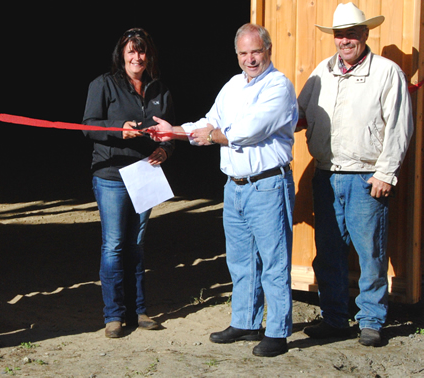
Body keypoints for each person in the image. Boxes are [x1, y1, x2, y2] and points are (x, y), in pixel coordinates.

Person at [149, 23, 297, 357]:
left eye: (256, 51)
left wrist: (213, 136)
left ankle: (277, 331)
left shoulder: (279, 86)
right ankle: (245, 322)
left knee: (274, 261)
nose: (250, 59)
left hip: (267, 185)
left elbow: (250, 130)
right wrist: (174, 131)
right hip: (235, 187)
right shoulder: (232, 86)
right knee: (241, 260)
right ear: (237, 55)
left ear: (268, 50)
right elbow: (208, 121)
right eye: (243, 53)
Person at [297, 2, 413, 347]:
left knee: (371, 253)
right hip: (326, 175)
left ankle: (371, 321)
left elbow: (399, 128)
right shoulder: (321, 72)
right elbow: (298, 113)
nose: (344, 40)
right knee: (328, 252)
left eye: (351, 33)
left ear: (365, 34)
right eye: (339, 34)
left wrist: (385, 173)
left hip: (366, 178)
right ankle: (334, 318)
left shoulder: (387, 72)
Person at [82, 28, 175, 338]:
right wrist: (117, 130)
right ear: (121, 55)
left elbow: (170, 131)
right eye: (131, 52)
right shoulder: (103, 85)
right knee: (114, 245)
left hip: (145, 173)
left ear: (149, 54)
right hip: (112, 175)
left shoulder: (160, 90)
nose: (137, 57)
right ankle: (113, 315)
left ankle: (139, 310)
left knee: (136, 245)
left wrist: (166, 149)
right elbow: (87, 127)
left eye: (142, 51)